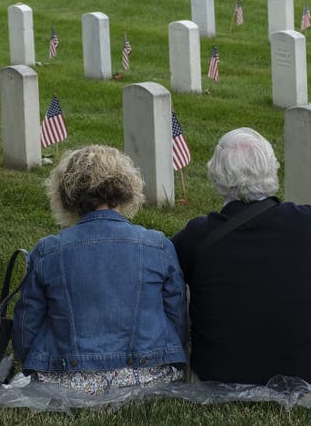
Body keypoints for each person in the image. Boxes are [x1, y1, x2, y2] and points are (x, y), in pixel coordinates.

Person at [171, 128, 311, 394]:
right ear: (272, 170)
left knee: (185, 278)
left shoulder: (197, 235)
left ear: (215, 176)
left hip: (217, 378)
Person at [13, 145, 188, 395]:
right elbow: (177, 320)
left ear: (66, 193)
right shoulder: (157, 245)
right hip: (148, 377)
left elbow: (25, 332)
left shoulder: (48, 251)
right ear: (127, 188)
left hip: (66, 381)